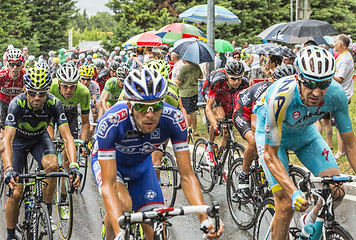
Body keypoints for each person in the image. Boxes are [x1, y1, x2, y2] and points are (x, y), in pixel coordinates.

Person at [95, 68, 224, 240]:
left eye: (156, 106)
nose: (150, 114)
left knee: (156, 226)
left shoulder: (173, 119)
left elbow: (187, 176)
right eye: (141, 107)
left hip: (141, 166)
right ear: (129, 106)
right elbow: (108, 186)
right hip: (113, 166)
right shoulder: (111, 122)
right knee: (123, 205)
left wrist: (205, 219)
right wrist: (120, 233)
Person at [254, 46, 356, 239]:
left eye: (324, 83)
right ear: (298, 78)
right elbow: (270, 155)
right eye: (310, 83)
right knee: (284, 204)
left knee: (337, 192)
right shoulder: (281, 97)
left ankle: (309, 222)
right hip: (274, 141)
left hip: (304, 134)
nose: (317, 92)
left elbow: (350, 144)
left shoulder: (336, 94)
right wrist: (293, 193)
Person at [2, 67, 81, 240]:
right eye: (32, 93)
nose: (37, 98)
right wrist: (8, 168)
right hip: (18, 143)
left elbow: (67, 137)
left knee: (53, 166)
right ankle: (10, 233)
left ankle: (46, 209)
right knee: (16, 193)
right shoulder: (17, 104)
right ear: (25, 90)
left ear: (47, 92)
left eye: (41, 94)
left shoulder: (54, 103)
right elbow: (7, 140)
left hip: (39, 138)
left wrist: (74, 165)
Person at [233, 64, 296, 197]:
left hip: (262, 116)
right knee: (255, 141)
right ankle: (243, 175)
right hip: (244, 112)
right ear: (274, 81)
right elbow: (256, 124)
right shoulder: (266, 92)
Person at [203, 60, 249, 165]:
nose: (237, 82)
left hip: (226, 93)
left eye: (239, 78)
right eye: (233, 78)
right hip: (211, 89)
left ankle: (221, 155)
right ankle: (210, 146)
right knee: (220, 117)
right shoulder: (218, 80)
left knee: (227, 130)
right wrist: (215, 125)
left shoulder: (244, 83)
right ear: (227, 76)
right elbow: (208, 108)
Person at [48, 63, 90, 171]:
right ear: (58, 83)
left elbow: (85, 122)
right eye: (65, 86)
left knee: (68, 157)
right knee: (49, 142)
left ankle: (66, 184)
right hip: (52, 114)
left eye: (72, 87)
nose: (68, 90)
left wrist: (83, 144)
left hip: (71, 115)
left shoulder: (84, 91)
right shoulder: (50, 87)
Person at [332, 34, 355, 159]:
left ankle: (340, 151)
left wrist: (328, 74)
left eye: (335, 42)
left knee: (340, 124)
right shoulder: (342, 56)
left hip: (342, 95)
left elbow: (339, 79)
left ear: (340, 43)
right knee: (336, 123)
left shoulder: (345, 59)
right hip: (340, 94)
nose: (333, 44)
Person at [0, 49, 26, 125]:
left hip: (18, 103)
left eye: (18, 64)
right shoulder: (2, 75)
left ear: (22, 64)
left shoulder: (25, 76)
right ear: (7, 64)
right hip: (3, 102)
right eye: (11, 64)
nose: (15, 67)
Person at [177, 60, 202, 136]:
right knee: (193, 111)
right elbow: (201, 76)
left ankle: (187, 130)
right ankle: (194, 130)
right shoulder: (196, 66)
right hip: (194, 91)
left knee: (186, 111)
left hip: (185, 92)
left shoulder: (184, 68)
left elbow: (178, 81)